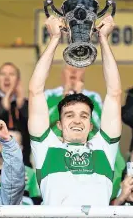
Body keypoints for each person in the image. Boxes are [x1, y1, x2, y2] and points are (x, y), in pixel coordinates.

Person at [28, 15, 121, 206]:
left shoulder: (104, 148)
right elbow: (35, 91)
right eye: (70, 115)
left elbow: (114, 93)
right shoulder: (46, 148)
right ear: (59, 124)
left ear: (91, 123)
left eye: (84, 116)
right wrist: (54, 38)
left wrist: (103, 39)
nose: (77, 120)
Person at [44, 64, 102, 138]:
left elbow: (100, 124)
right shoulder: (49, 95)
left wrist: (80, 97)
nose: (73, 72)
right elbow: (42, 123)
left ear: (83, 74)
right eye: (69, 69)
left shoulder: (93, 97)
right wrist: (65, 98)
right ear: (62, 73)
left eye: (78, 69)